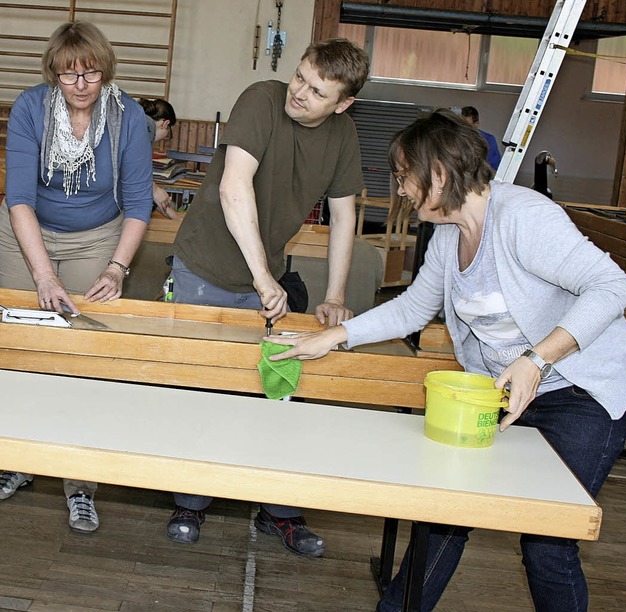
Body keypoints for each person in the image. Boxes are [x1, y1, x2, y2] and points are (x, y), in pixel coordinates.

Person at [264, 109, 626, 610]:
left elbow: (612, 286)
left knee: (546, 539)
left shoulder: (523, 216)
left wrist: (537, 359)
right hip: (507, 390)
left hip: (583, 391)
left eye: (404, 176)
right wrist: (334, 338)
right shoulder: (447, 237)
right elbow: (414, 308)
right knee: (444, 511)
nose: (399, 190)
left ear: (438, 175)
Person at [165, 38, 370, 557]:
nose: (298, 92)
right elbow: (236, 189)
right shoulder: (262, 98)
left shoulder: (344, 134)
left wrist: (337, 293)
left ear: (342, 104)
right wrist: (263, 279)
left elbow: (345, 215)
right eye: (299, 76)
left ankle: (279, 511)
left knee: (277, 393)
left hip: (267, 276)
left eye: (316, 90)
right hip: (207, 268)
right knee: (205, 390)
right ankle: (190, 501)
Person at [0, 21, 153, 533]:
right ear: (53, 77)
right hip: (25, 234)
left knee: (82, 356)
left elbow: (137, 204)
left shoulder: (129, 117)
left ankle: (79, 483)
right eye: (69, 77)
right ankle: (15, 459)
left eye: (91, 73)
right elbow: (18, 197)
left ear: (105, 72)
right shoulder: (29, 109)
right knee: (20, 348)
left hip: (97, 237)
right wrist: (43, 277)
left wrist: (117, 266)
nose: (82, 85)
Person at [139, 97, 178, 219]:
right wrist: (155, 190)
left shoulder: (139, 126)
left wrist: (175, 217)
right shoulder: (142, 132)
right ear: (165, 124)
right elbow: (129, 172)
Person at [461, 105, 502, 171]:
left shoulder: (488, 140)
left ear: (476, 124)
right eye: (460, 125)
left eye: (467, 125)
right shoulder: (454, 138)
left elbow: (494, 166)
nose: (463, 129)